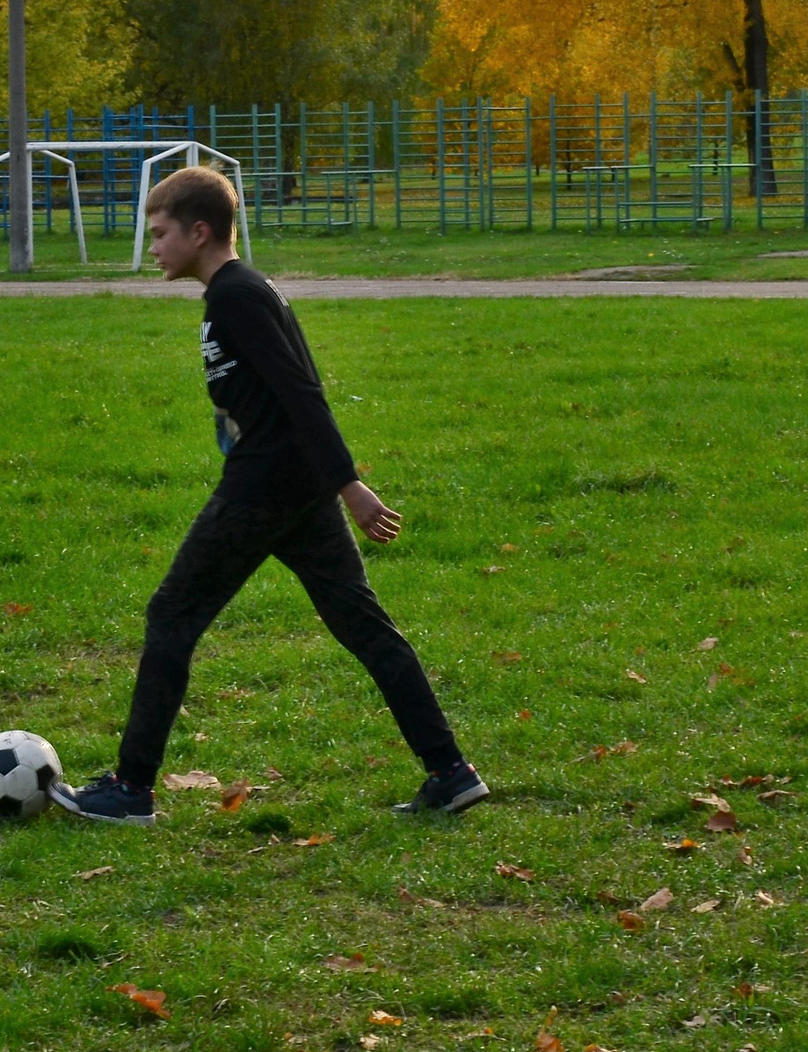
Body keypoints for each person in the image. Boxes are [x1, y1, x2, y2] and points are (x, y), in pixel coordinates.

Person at [55, 165, 485, 825]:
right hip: (295, 488)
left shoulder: (239, 296)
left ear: (200, 231)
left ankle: (132, 788)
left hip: (267, 488)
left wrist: (352, 487)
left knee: (172, 614)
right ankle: (451, 773)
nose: (154, 247)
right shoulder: (236, 292)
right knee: (363, 627)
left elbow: (302, 393)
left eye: (161, 232)